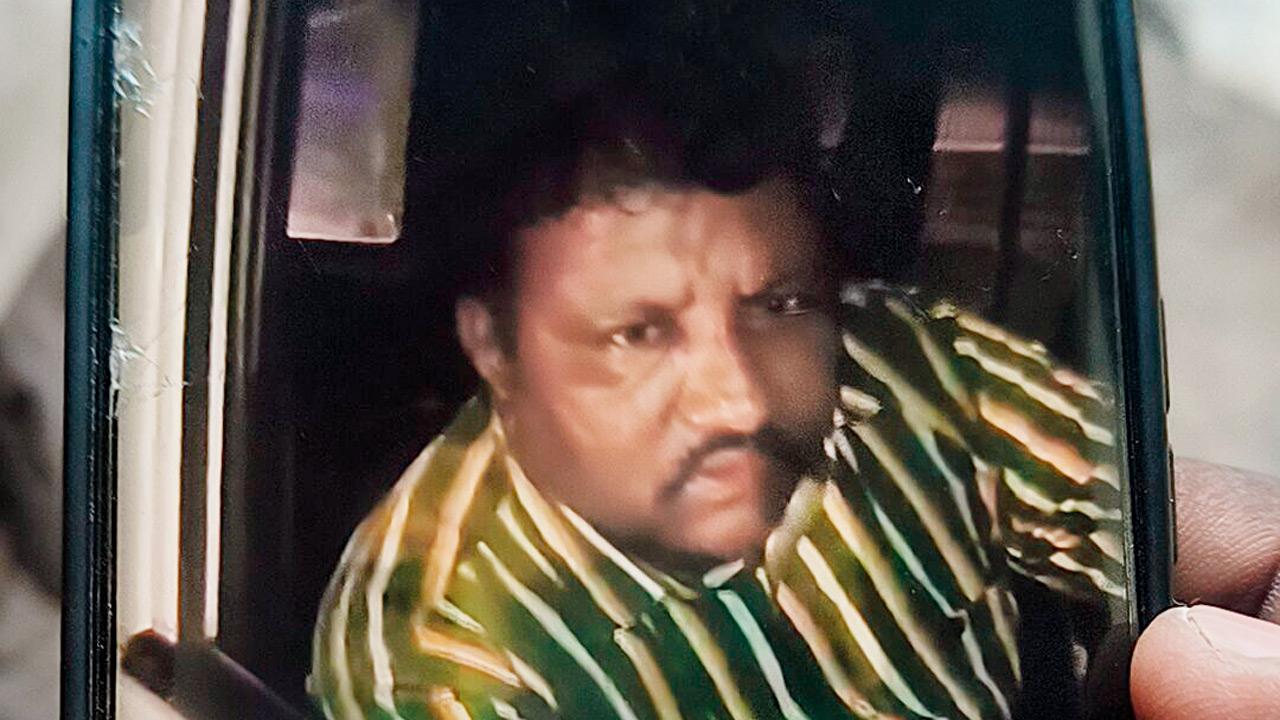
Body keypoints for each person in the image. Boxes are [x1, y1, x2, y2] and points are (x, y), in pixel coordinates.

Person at [308, 33, 1131, 717]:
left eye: (779, 305)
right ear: (494, 346)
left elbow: (1153, 515)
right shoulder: (439, 658)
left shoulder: (906, 363)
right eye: (639, 334)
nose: (739, 400)